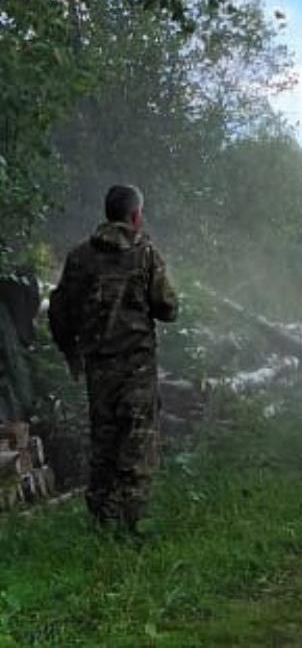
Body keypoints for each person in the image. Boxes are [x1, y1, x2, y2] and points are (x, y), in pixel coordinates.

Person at [49, 185, 178, 533]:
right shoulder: (146, 254)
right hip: (136, 367)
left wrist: (71, 354)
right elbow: (167, 308)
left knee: (104, 444)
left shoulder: (79, 258)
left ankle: (101, 522)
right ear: (135, 216)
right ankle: (132, 525)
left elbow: (59, 312)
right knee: (137, 444)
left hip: (98, 369)